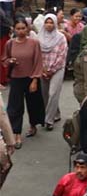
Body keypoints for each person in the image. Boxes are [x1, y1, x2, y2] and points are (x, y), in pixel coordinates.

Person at [3, 17, 45, 147]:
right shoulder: (10, 43)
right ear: (14, 30)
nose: (21, 31)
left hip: (31, 77)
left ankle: (33, 125)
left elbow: (38, 62)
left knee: (33, 104)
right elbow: (4, 59)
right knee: (15, 107)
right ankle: (16, 134)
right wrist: (10, 61)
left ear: (28, 29)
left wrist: (35, 80)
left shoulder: (34, 43)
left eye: (23, 28)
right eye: (18, 29)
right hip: (16, 78)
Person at [38, 13, 67, 130]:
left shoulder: (61, 38)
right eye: (47, 22)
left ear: (55, 24)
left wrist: (52, 70)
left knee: (53, 93)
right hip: (42, 69)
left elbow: (62, 55)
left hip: (57, 69)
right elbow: (36, 55)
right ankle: (56, 113)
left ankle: (48, 120)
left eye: (51, 23)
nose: (49, 25)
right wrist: (42, 69)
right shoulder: (38, 38)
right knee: (45, 95)